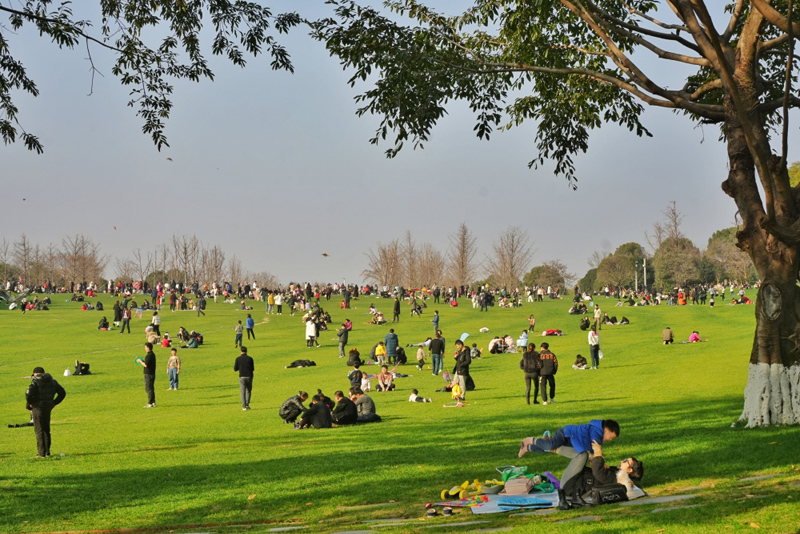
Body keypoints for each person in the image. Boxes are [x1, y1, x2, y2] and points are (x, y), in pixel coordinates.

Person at [519, 419, 621, 487]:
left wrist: (599, 463)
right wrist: (599, 455)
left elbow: (593, 454)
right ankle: (531, 440)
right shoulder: (597, 432)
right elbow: (595, 447)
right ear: (606, 430)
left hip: (571, 440)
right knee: (550, 445)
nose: (610, 440)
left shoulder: (597, 433)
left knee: (548, 449)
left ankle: (528, 448)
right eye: (611, 437)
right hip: (566, 434)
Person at [25, 366, 66, 457]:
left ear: (36, 374)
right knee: (46, 430)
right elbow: (62, 393)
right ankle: (47, 452)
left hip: (38, 407)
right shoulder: (52, 381)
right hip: (48, 407)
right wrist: (54, 402)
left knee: (39, 430)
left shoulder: (35, 382)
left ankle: (41, 453)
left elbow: (28, 392)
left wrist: (31, 403)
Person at [234, 346, 254, 410]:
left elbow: (235, 369)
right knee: (249, 391)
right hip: (249, 376)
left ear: (240, 351)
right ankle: (247, 404)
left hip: (242, 376)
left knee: (242, 392)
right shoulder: (250, 358)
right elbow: (253, 369)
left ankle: (244, 406)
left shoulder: (238, 359)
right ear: (246, 351)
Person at [141, 342, 157, 408]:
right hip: (152, 373)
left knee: (148, 388)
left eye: (145, 347)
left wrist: (140, 361)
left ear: (148, 348)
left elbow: (146, 365)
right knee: (151, 388)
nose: (145, 348)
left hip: (148, 374)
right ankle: (153, 402)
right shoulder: (153, 354)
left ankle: (150, 403)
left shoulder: (148, 356)